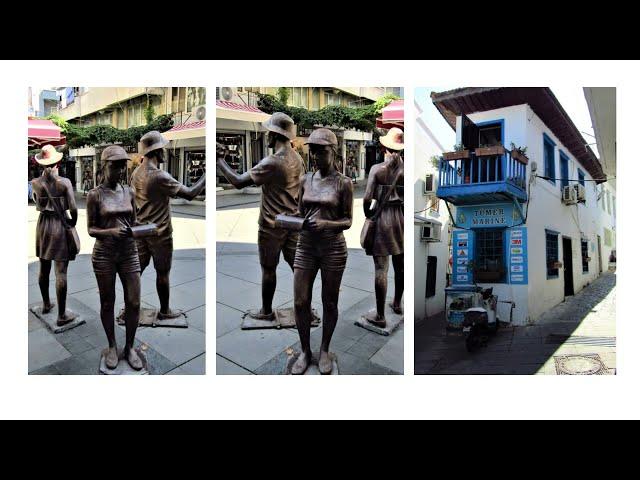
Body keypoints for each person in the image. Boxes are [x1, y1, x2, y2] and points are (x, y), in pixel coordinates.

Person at [216, 112, 303, 321]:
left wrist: (219, 160)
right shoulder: (298, 158)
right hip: (293, 223)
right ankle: (304, 309)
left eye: (268, 133)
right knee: (299, 269)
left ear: (274, 135)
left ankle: (266, 312)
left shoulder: (273, 161)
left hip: (271, 225)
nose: (267, 137)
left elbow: (238, 181)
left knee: (269, 270)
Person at [291, 128, 354, 375]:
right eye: (313, 151)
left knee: (329, 301)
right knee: (300, 301)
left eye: (322, 151)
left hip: (333, 249)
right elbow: (299, 212)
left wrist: (328, 224)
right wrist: (290, 221)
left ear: (334, 152)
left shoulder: (344, 183)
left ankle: (324, 348)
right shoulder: (305, 180)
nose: (316, 156)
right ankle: (305, 350)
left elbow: (348, 220)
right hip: (306, 245)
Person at [130, 131, 206, 319]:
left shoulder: (136, 173)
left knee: (136, 273)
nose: (165, 152)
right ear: (156, 151)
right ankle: (165, 311)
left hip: (140, 231)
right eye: (162, 148)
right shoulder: (159, 175)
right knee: (162, 274)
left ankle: (131, 309)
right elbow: (190, 193)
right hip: (160, 233)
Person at [87, 146, 142, 370]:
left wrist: (145, 229)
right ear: (104, 166)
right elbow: (91, 229)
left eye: (123, 165)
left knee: (134, 301)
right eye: (115, 165)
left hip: (129, 252)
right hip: (104, 255)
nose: (120, 170)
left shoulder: (129, 192)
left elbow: (135, 221)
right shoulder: (95, 194)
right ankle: (112, 345)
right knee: (107, 301)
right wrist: (110, 232)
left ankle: (129, 346)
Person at [31, 145, 79, 327]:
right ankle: (61, 315)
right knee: (61, 272)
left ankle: (45, 304)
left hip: (43, 225)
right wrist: (72, 223)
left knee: (44, 268)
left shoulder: (35, 182)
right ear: (58, 161)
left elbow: (38, 201)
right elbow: (73, 208)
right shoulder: (64, 182)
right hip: (59, 226)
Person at [362, 127, 404, 328]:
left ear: (383, 147)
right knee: (400, 266)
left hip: (383, 218)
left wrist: (368, 214)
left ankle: (380, 315)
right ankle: (397, 303)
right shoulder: (406, 170)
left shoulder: (377, 169)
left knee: (381, 269)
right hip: (401, 219)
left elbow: (367, 198)